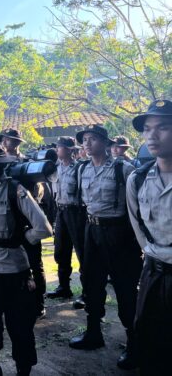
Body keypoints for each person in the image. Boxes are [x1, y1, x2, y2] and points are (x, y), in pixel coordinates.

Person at [0, 144, 52, 376]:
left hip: (12, 270)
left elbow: (43, 227)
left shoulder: (14, 190)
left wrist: (22, 238)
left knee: (19, 326)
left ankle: (23, 370)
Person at [69, 125, 142, 371]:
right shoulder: (82, 169)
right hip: (93, 230)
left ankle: (134, 342)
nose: (87, 144)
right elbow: (82, 204)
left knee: (125, 286)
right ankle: (93, 332)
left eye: (92, 139)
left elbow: (137, 206)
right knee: (91, 282)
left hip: (118, 232)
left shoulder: (123, 168)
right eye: (84, 140)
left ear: (105, 142)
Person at [126, 99, 172, 376]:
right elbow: (137, 227)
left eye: (163, 128)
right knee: (151, 343)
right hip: (153, 275)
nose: (151, 136)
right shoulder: (138, 178)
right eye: (147, 129)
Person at [0, 128, 48, 319]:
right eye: (7, 139)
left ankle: (38, 302)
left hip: (26, 215)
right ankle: (14, 300)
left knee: (34, 261)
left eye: (13, 140)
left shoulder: (28, 163)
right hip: (5, 216)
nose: (9, 143)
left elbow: (39, 189)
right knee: (8, 260)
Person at [47, 137, 87, 309]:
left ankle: (87, 292)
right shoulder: (55, 168)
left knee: (82, 253)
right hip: (61, 211)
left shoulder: (79, 168)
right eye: (57, 147)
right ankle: (64, 287)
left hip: (76, 212)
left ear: (70, 150)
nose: (57, 150)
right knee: (61, 250)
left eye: (60, 147)